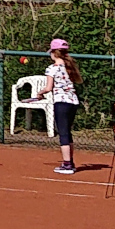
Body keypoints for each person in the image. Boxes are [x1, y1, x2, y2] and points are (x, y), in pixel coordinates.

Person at [32, 39, 82, 175]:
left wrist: (40, 93)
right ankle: (69, 162)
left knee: (63, 133)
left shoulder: (52, 68)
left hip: (61, 103)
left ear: (54, 53)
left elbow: (48, 88)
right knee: (67, 132)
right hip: (73, 102)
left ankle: (67, 165)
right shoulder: (69, 66)